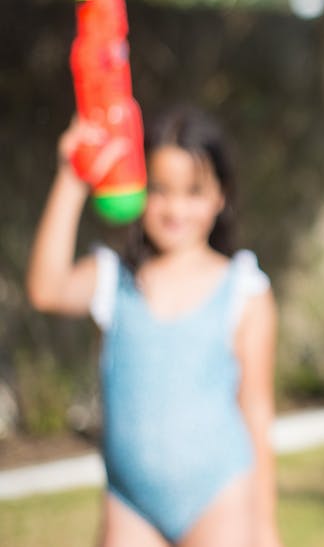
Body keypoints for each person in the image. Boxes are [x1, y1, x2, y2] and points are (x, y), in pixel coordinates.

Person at [26, 107, 280, 547]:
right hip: (131, 506)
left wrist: (266, 524)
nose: (175, 208)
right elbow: (46, 290)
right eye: (160, 190)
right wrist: (72, 176)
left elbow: (256, 411)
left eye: (194, 191)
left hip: (220, 495)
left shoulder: (244, 290)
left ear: (221, 197)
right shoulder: (111, 279)